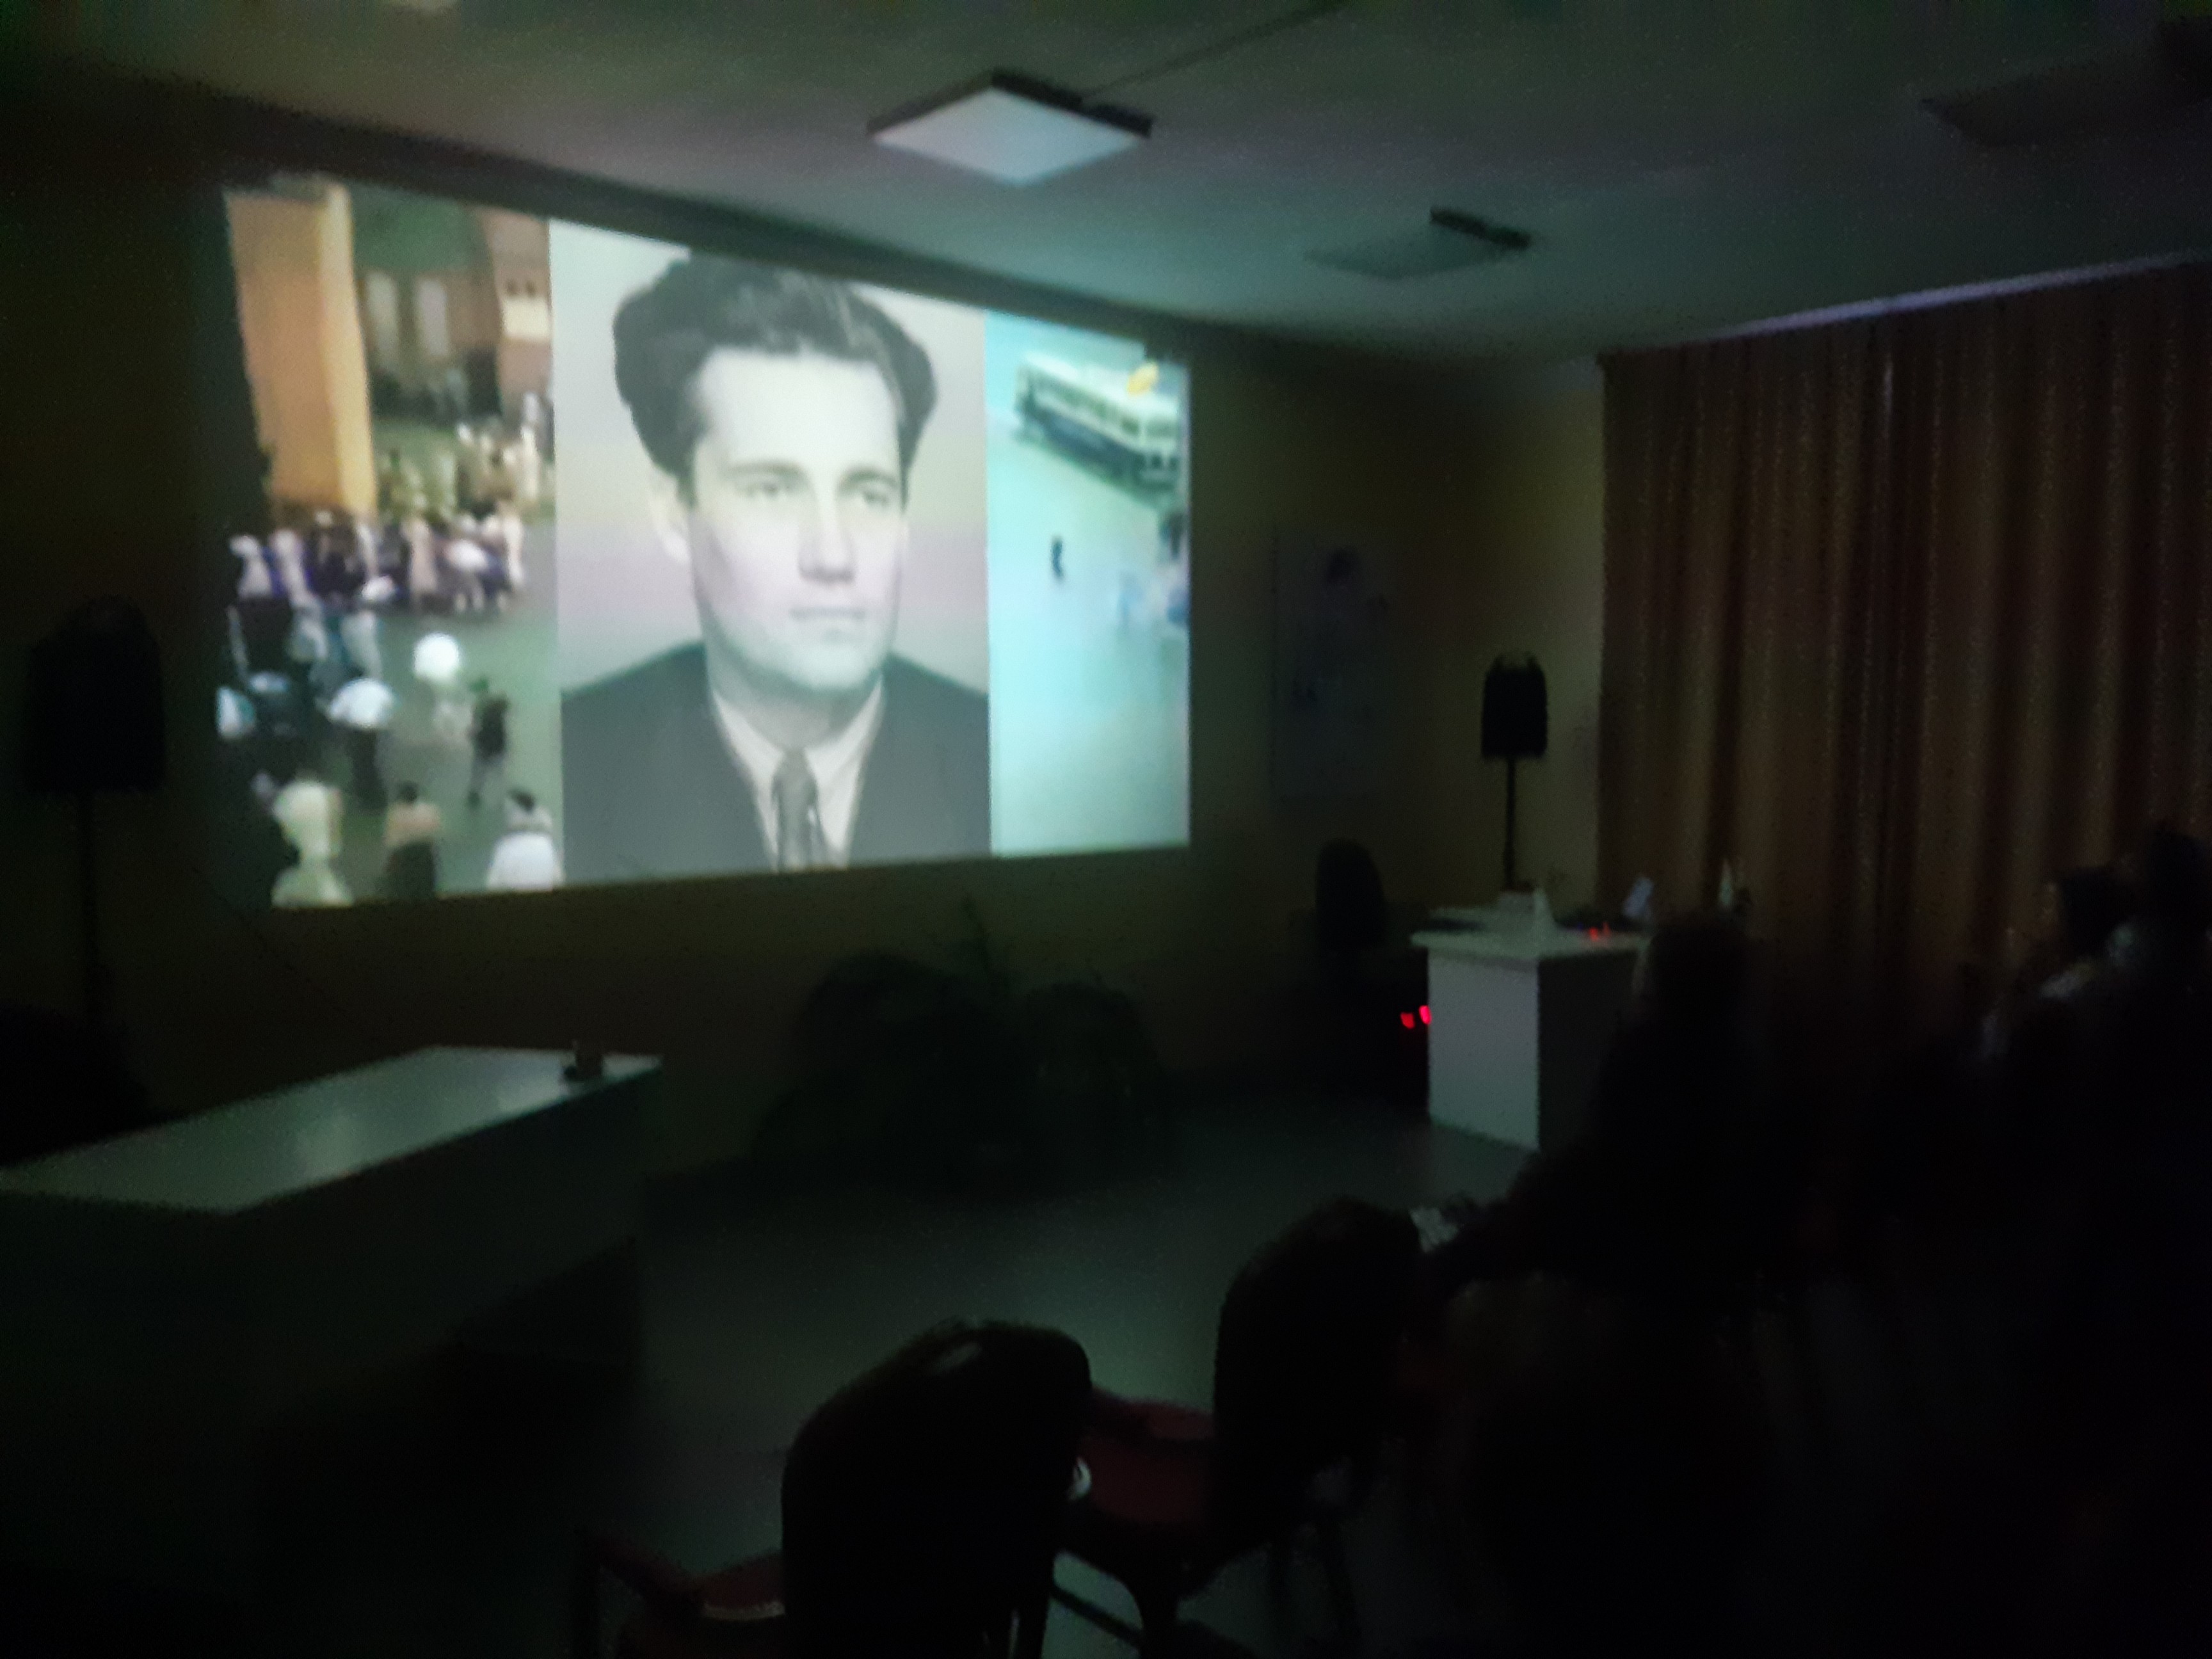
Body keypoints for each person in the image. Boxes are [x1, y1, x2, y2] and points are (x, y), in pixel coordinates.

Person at [561, 255, 989, 880]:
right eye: (772, 491)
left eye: (868, 495)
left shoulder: (994, 752)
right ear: (675, 509)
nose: (833, 556)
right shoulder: (575, 760)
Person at [327, 673, 396, 810]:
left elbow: (334, 713)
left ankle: (363, 798)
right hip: (376, 731)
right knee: (373, 764)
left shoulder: (351, 688)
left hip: (356, 731)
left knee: (360, 765)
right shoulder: (381, 688)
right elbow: (391, 709)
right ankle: (375, 798)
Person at [485, 789, 563, 891]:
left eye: (510, 811)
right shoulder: (546, 844)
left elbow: (493, 886)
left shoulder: (504, 847)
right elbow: (558, 881)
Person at [381, 781, 442, 901]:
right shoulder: (430, 810)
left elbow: (391, 842)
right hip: (425, 856)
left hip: (405, 858)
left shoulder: (395, 812)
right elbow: (435, 835)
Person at [467, 680, 509, 807]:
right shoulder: (492, 706)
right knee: (498, 774)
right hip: (496, 746)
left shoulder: (481, 706)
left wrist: (474, 736)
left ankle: (476, 796)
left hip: (485, 745)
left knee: (480, 773)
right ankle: (502, 799)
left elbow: (477, 727)